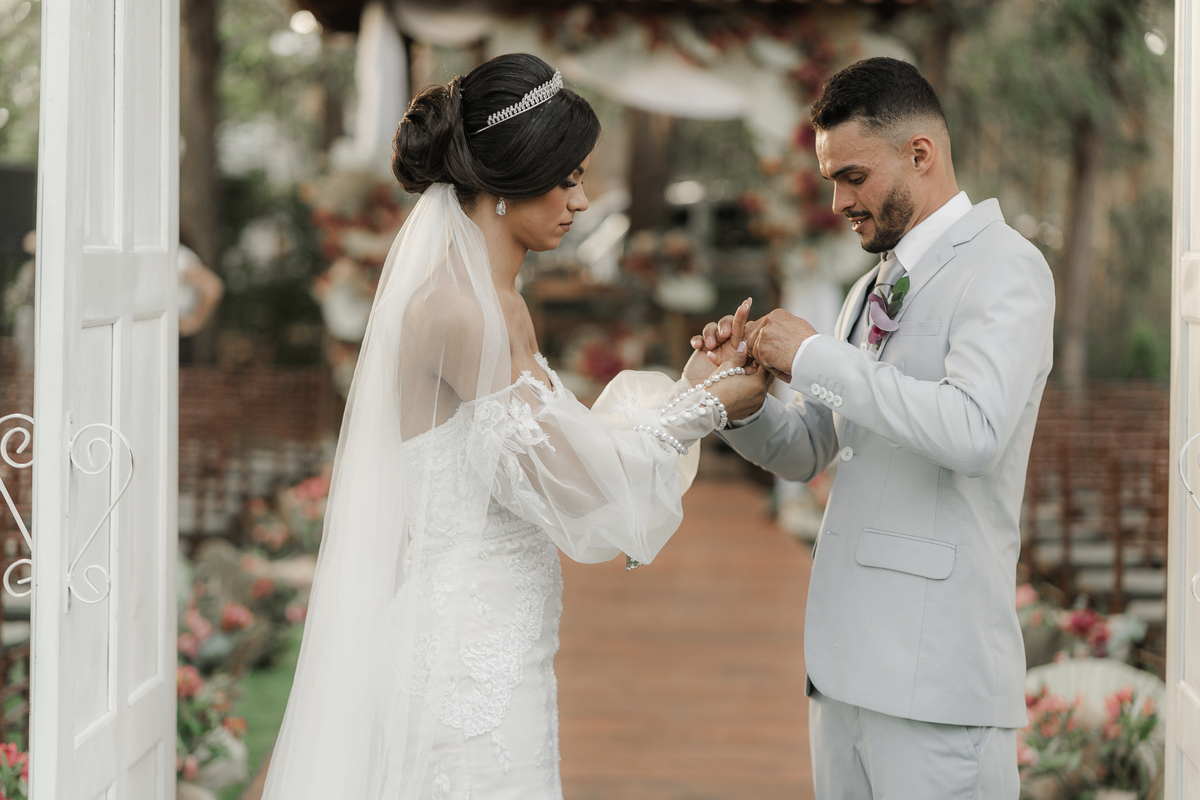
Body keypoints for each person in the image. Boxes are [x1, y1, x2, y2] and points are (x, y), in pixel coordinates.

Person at [261, 52, 757, 800]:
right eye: (566, 179)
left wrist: (694, 386)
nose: (581, 201)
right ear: (504, 182)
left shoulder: (497, 303)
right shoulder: (460, 313)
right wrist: (707, 408)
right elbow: (573, 491)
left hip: (501, 641)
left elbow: (555, 451)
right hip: (466, 665)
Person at [692, 57, 1055, 799]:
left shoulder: (1005, 268)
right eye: (831, 180)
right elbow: (811, 451)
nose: (838, 201)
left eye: (852, 177)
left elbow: (975, 431)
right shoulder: (868, 287)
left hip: (937, 678)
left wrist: (814, 356)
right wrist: (741, 399)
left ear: (920, 154)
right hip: (842, 671)